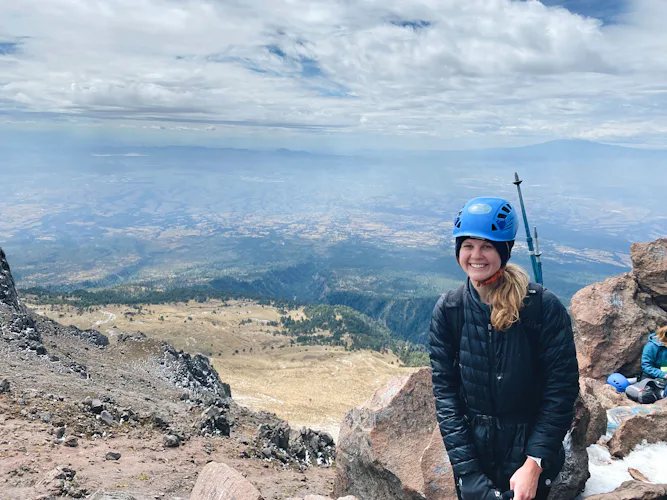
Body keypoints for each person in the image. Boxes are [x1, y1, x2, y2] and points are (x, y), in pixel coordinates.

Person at [429, 197, 579, 500]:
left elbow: (560, 391)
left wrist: (534, 465)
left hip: (530, 453)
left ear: (504, 250)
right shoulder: (450, 309)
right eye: (468, 245)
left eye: (487, 246)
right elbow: (446, 395)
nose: (476, 255)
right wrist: (469, 474)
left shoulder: (540, 307)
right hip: (474, 454)